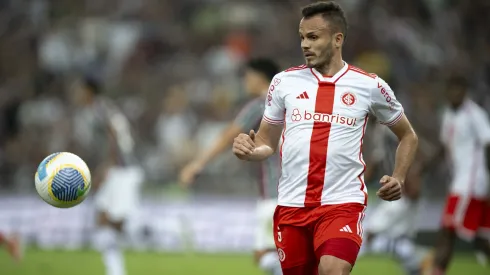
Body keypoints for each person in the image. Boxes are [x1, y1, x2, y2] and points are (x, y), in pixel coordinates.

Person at [232, 1, 419, 274]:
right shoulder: (284, 83)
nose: (305, 45)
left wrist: (399, 176)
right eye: (302, 38)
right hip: (291, 206)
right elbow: (266, 142)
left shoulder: (369, 85)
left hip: (341, 204)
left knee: (333, 269)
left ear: (337, 39)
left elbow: (408, 136)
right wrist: (249, 149)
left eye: (313, 37)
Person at [179, 58, 282, 275]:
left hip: (276, 191)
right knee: (276, 253)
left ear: (259, 77)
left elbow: (229, 135)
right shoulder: (290, 105)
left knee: (266, 254)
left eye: (247, 76)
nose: (245, 81)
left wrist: (198, 164)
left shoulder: (261, 104)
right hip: (299, 189)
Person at [73, 76, 144, 275]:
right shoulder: (95, 110)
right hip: (118, 168)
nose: (76, 94)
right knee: (103, 219)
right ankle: (115, 269)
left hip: (122, 169)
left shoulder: (100, 108)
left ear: (88, 91)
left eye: (79, 90)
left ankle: (146, 232)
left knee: (113, 221)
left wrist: (108, 165)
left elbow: (113, 134)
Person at [423, 75, 490, 275]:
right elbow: (443, 148)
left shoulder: (474, 114)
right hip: (462, 180)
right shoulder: (448, 115)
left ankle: (436, 271)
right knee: (479, 238)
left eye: (458, 89)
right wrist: (423, 168)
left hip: (470, 182)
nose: (454, 94)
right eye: (451, 89)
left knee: (447, 229)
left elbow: (488, 145)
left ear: (464, 91)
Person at [361, 120, 426, 275]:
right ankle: (416, 261)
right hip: (395, 192)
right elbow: (376, 160)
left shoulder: (388, 126)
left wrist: (412, 177)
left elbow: (412, 142)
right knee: (390, 236)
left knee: (369, 234)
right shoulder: (378, 130)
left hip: (400, 191)